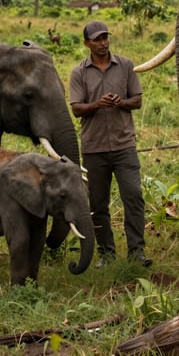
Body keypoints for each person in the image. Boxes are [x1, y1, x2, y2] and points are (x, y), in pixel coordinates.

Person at [69, 20, 151, 268]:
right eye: (97, 39)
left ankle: (137, 252)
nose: (103, 43)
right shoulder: (79, 72)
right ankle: (107, 254)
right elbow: (76, 109)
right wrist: (97, 104)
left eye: (105, 37)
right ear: (87, 43)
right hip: (94, 148)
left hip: (124, 145)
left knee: (134, 196)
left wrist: (121, 102)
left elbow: (136, 100)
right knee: (98, 204)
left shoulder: (125, 65)